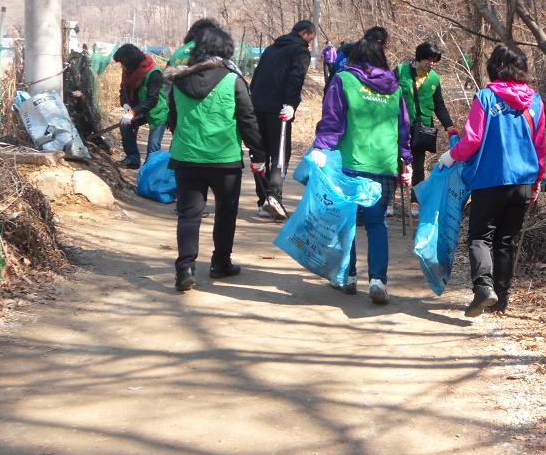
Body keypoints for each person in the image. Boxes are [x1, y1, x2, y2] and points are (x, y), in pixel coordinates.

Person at [438, 43, 546, 317]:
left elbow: (473, 140)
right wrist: (538, 180)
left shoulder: (486, 98)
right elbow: (540, 146)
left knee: (480, 237)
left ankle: (484, 288)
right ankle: (501, 299)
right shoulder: (535, 101)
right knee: (506, 240)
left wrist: (452, 155)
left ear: (495, 67)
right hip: (523, 181)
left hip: (490, 179)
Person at [310, 26, 412, 304]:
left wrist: (321, 148)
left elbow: (333, 121)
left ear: (353, 58)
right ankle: (378, 280)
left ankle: (349, 276)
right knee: (377, 223)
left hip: (351, 165)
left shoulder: (343, 80)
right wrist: (407, 161)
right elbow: (403, 128)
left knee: (349, 223)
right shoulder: (394, 89)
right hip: (383, 165)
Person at [166, 25, 266, 292]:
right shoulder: (233, 80)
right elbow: (248, 119)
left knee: (188, 214)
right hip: (224, 160)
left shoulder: (178, 81)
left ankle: (185, 268)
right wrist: (259, 153)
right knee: (225, 212)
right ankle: (220, 263)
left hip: (186, 158)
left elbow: (172, 120)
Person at [249, 20, 316, 221]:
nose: (310, 44)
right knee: (280, 154)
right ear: (305, 33)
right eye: (310, 39)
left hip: (257, 106)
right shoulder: (300, 51)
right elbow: (296, 78)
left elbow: (257, 76)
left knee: (260, 154)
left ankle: (264, 201)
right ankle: (273, 197)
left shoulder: (271, 49)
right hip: (279, 109)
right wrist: (290, 103)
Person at [395, 41, 457, 216]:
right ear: (419, 57)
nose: (432, 63)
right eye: (429, 59)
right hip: (399, 125)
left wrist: (449, 126)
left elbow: (439, 105)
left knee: (419, 165)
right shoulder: (401, 71)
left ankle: (415, 201)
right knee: (395, 161)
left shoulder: (434, 79)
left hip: (423, 129)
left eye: (434, 60)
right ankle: (390, 200)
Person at [113, 43, 168, 170]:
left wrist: (133, 112)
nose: (122, 66)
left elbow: (152, 100)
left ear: (130, 61)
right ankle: (133, 159)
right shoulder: (128, 71)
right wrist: (126, 107)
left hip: (157, 112)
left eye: (123, 63)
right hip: (138, 109)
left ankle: (148, 172)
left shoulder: (153, 73)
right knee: (124, 124)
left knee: (153, 148)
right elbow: (123, 91)